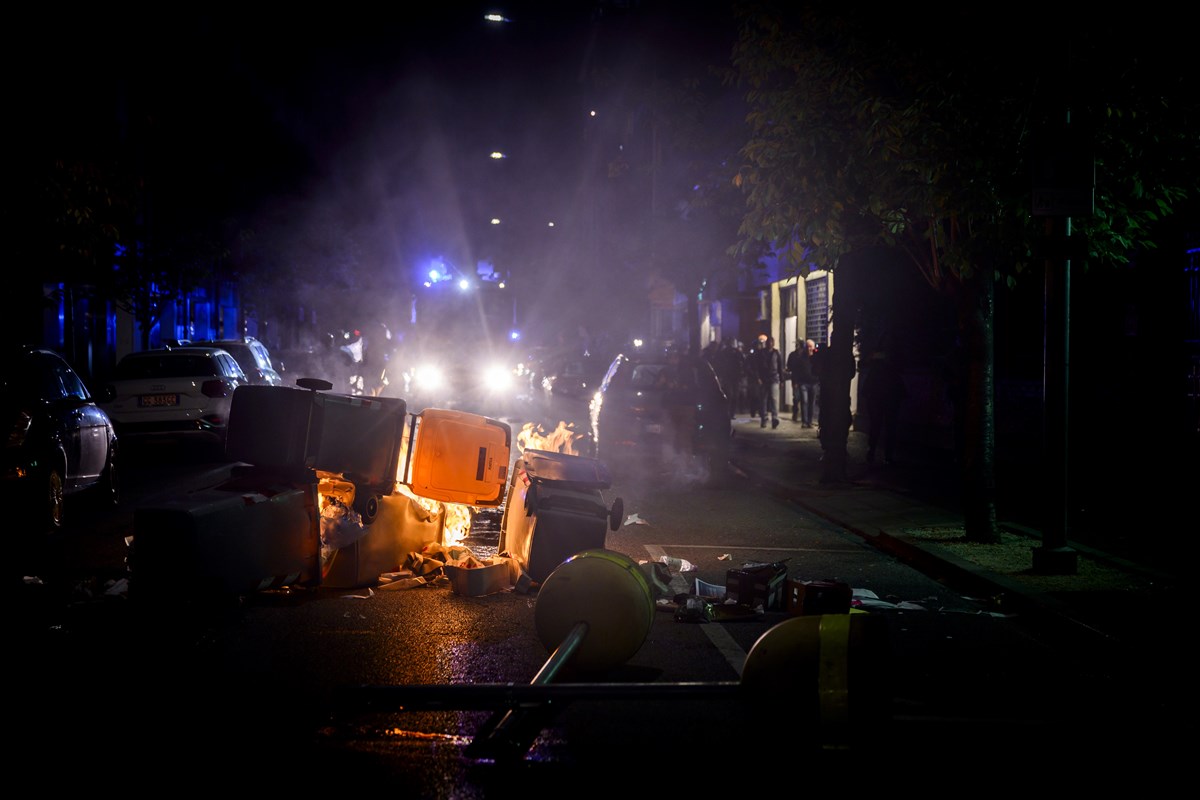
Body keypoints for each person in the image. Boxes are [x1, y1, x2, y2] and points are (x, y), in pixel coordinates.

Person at [752, 335, 785, 429]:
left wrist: (781, 380)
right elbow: (757, 367)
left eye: (771, 342)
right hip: (764, 379)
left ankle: (775, 418)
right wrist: (758, 378)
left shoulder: (776, 353)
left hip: (774, 378)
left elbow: (780, 367)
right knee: (764, 400)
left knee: (774, 399)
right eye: (769, 342)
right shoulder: (761, 353)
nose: (770, 344)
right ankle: (764, 418)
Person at [787, 338, 819, 427]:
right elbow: (796, 370)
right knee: (804, 401)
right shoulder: (801, 358)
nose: (809, 349)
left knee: (811, 403)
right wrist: (796, 381)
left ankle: (809, 421)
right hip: (803, 383)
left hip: (813, 383)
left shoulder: (816, 358)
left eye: (811, 347)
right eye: (808, 347)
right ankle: (804, 422)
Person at [713, 338, 746, 420]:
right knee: (730, 395)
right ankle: (728, 412)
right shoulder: (724, 353)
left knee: (734, 395)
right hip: (728, 377)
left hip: (735, 377)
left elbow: (743, 362)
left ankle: (731, 413)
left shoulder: (737, 352)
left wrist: (742, 373)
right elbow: (719, 364)